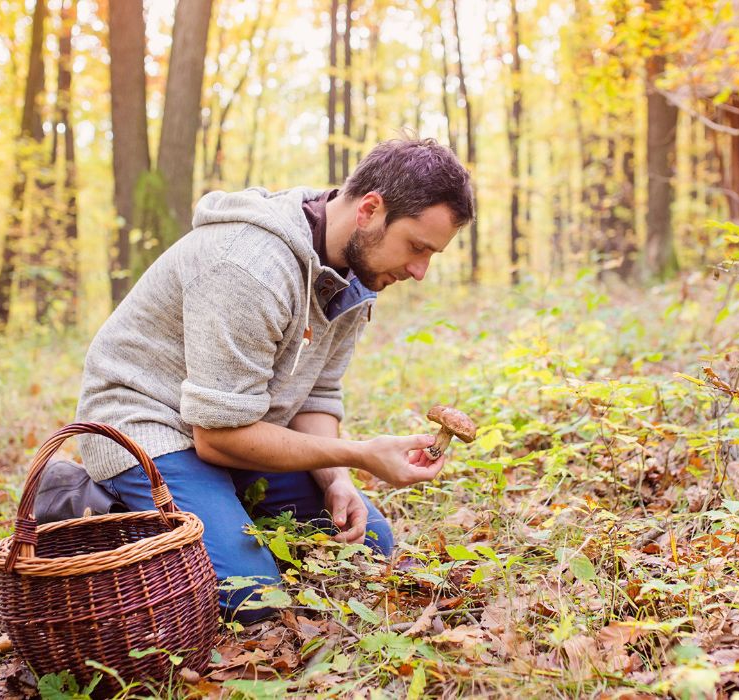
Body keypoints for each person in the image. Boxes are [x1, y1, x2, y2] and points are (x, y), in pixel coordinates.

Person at [74, 138, 474, 623]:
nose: (419, 271)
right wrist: (360, 453)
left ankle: (218, 509)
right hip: (146, 429)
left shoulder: (358, 273)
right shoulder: (248, 267)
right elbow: (218, 437)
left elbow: (318, 393)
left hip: (237, 430)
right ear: (370, 209)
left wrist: (338, 480)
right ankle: (105, 514)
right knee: (254, 598)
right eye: (416, 247)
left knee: (370, 543)